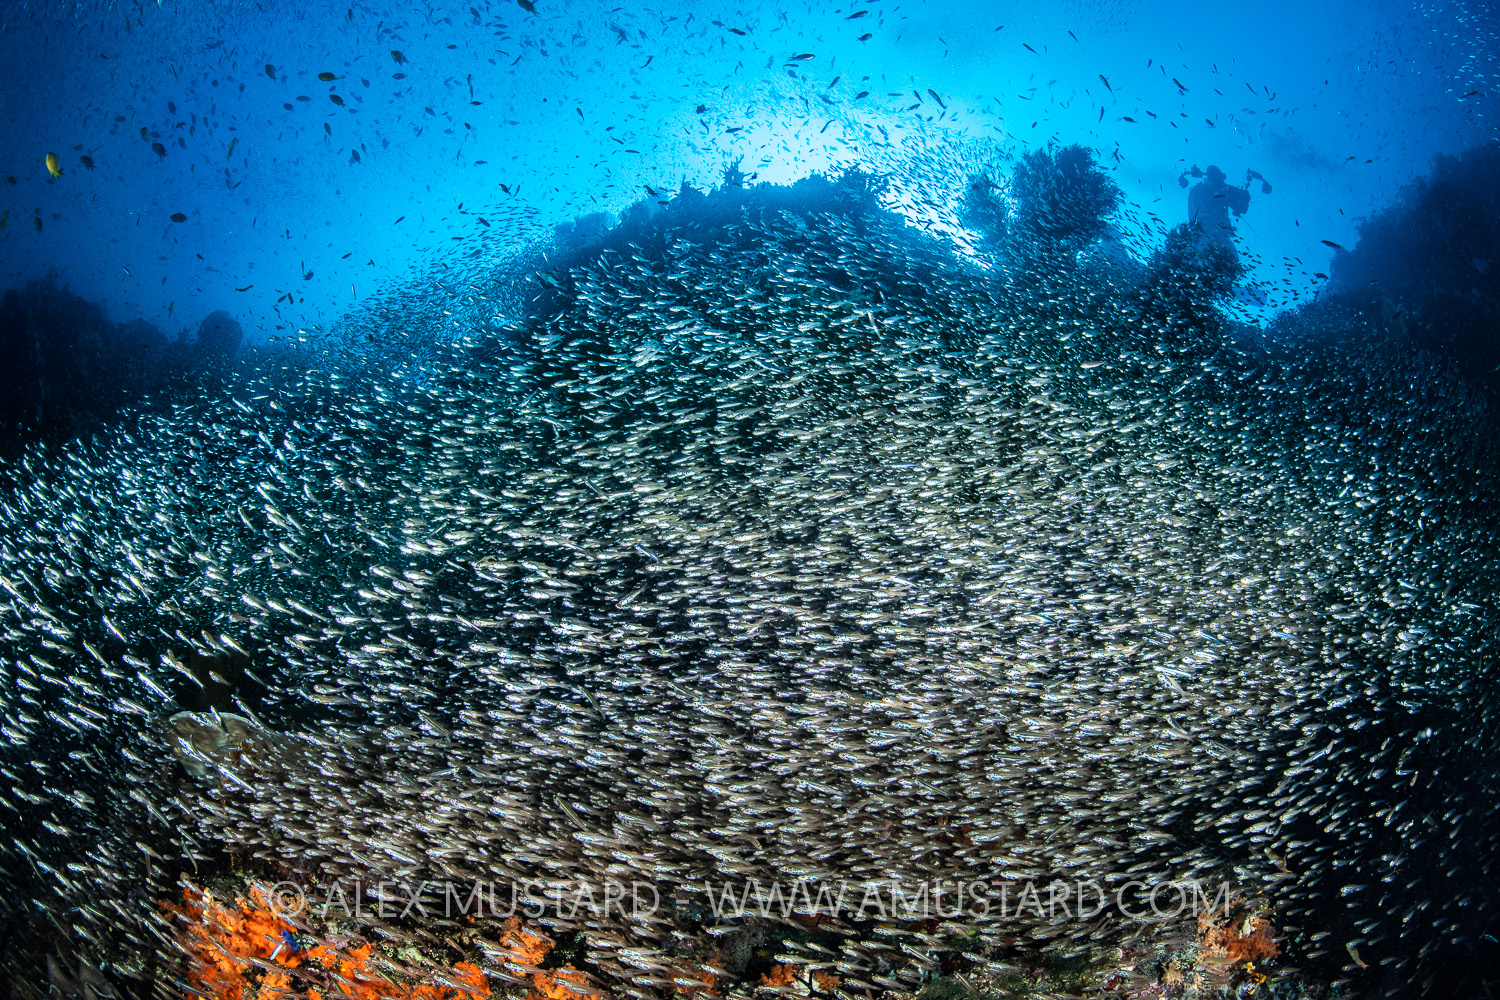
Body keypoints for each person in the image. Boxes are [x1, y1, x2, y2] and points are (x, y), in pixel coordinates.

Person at [1179, 165, 1253, 260]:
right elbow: (1241, 206)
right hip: (1210, 237)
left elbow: (1242, 208)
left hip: (1208, 238)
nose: (1223, 182)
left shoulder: (1202, 191)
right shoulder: (1208, 191)